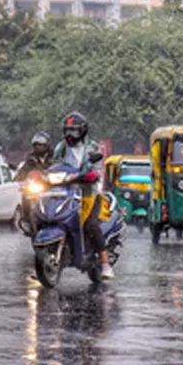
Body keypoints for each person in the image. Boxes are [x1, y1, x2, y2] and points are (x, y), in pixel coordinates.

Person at [53, 111, 114, 279]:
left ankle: (105, 264)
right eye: (68, 130)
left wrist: (93, 176)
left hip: (89, 193)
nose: (70, 135)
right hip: (66, 191)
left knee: (90, 225)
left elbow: (98, 169)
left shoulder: (93, 148)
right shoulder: (61, 148)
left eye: (74, 131)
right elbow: (54, 166)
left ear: (83, 131)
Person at [14, 131, 54, 236]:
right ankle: (26, 219)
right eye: (36, 145)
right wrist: (19, 176)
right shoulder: (30, 158)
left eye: (41, 145)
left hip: (51, 186)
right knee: (25, 195)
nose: (38, 147)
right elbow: (24, 170)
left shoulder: (54, 157)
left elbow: (60, 168)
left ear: (46, 145)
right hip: (36, 186)